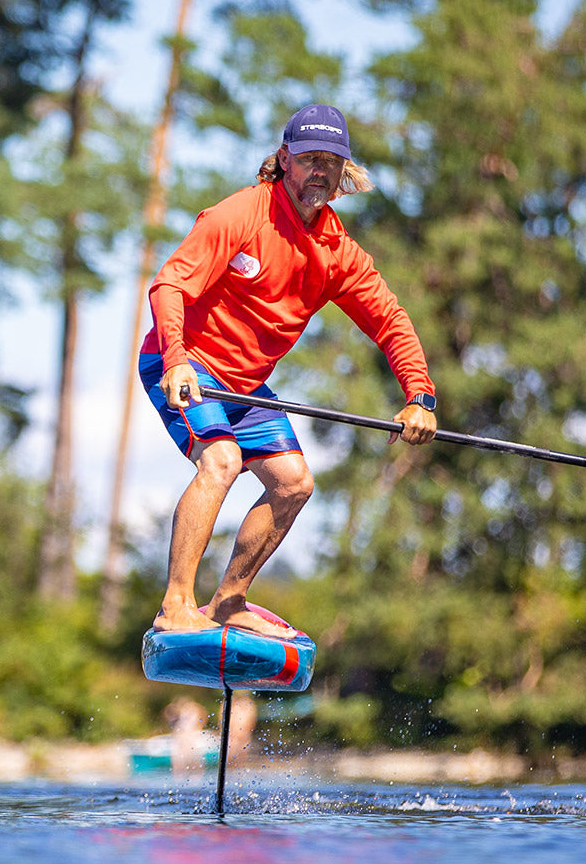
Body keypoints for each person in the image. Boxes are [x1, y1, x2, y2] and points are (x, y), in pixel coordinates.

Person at [139, 103, 437, 640]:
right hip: (183, 362)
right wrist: (178, 359)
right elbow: (169, 285)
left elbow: (390, 320)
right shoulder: (239, 216)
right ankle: (174, 606)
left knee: (295, 484)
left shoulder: (338, 253)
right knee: (222, 460)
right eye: (308, 159)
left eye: (330, 161)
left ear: (343, 173)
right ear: (284, 159)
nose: (318, 170)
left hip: (246, 385)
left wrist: (421, 395)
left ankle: (228, 601)